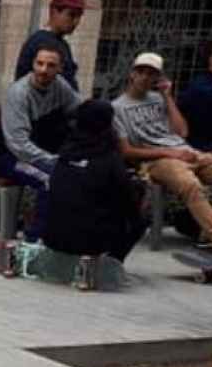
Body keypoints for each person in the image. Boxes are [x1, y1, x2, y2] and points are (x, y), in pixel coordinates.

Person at [114, 51, 212, 249]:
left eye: (152, 74)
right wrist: (171, 153)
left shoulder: (159, 99)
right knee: (190, 184)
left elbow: (182, 131)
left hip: (185, 151)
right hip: (157, 160)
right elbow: (127, 151)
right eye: (141, 71)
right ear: (132, 74)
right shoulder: (117, 107)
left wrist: (168, 97)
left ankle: (207, 236)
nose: (145, 77)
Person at [41, 99, 147, 263]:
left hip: (53, 239)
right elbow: (129, 203)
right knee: (139, 220)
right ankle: (112, 263)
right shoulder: (109, 158)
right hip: (91, 243)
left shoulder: (65, 152)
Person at [0, 46, 81, 238]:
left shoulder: (59, 86)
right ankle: (34, 241)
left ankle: (62, 233)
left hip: (43, 155)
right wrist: (53, 161)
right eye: (40, 63)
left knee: (79, 174)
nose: (44, 70)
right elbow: (18, 145)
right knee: (50, 179)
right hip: (11, 158)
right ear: (33, 64)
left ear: (59, 69)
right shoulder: (18, 93)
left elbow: (78, 111)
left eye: (50, 65)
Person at [14, 0, 89, 92]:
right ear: (54, 12)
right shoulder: (42, 42)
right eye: (71, 15)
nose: (76, 22)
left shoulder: (61, 44)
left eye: (79, 16)